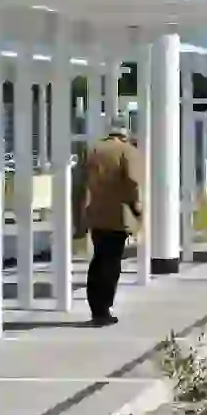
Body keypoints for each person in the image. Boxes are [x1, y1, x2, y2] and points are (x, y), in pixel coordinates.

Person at [75, 116, 144, 327]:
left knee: (98, 258)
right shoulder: (127, 151)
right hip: (118, 215)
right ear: (125, 133)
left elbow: (80, 181)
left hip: (95, 213)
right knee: (112, 262)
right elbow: (133, 183)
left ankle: (96, 306)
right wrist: (137, 207)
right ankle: (104, 308)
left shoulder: (93, 150)